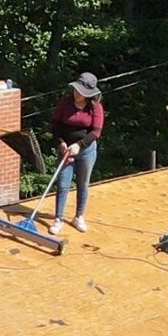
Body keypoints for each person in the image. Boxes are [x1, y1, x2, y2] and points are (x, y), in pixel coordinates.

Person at [48, 73, 104, 231]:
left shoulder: (95, 107)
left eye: (80, 92)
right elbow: (55, 124)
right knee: (63, 183)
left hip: (86, 151)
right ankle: (58, 219)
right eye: (75, 90)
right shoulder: (64, 104)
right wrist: (61, 142)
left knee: (83, 183)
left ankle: (79, 216)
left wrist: (80, 145)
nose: (76, 93)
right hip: (65, 150)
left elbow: (96, 131)